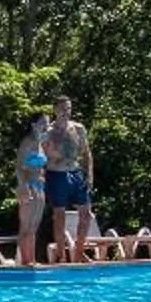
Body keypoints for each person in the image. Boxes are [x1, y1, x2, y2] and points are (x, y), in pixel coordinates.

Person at [41, 93, 94, 262]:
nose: (66, 112)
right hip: (56, 173)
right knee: (59, 216)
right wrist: (39, 176)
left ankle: (78, 254)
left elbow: (86, 153)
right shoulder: (48, 132)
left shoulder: (78, 128)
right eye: (63, 108)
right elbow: (39, 155)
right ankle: (61, 256)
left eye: (69, 108)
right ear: (55, 110)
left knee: (86, 214)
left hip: (75, 172)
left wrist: (89, 174)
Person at [16, 114, 52, 263]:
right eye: (43, 123)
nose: (46, 126)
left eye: (47, 123)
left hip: (39, 186)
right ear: (33, 125)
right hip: (28, 186)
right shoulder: (27, 142)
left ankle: (31, 259)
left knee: (34, 227)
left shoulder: (40, 144)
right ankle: (25, 261)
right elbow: (19, 167)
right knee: (26, 226)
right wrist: (23, 186)